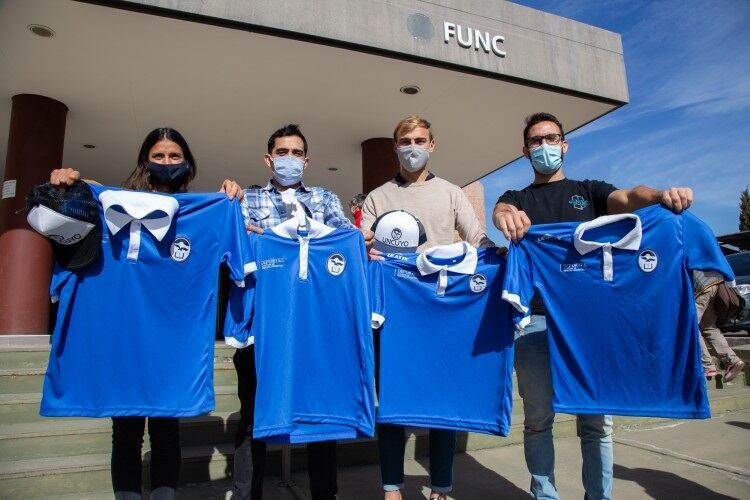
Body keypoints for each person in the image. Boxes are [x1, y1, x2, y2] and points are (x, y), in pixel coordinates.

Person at [492, 112, 693, 500]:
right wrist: (506, 218)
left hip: (590, 329)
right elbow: (500, 212)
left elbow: (628, 199)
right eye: (536, 141)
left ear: (565, 145)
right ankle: (545, 495)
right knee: (537, 422)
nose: (545, 146)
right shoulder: (517, 199)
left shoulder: (590, 190)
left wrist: (658, 197)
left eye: (552, 138)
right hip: (535, 324)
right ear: (525, 151)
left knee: (597, 423)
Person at [49, 127, 243, 500]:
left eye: (174, 156)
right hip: (122, 335)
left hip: (172, 340)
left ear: (186, 162)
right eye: (158, 156)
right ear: (145, 161)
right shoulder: (105, 202)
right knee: (125, 431)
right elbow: (64, 229)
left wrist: (229, 201)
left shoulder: (206, 210)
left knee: (167, 431)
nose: (167, 162)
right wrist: (68, 184)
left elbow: (238, 263)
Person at [360, 115, 493, 500]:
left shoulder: (452, 193)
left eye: (420, 140)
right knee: (393, 399)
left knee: (441, 396)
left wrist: (498, 252)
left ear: (432, 145)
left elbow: (477, 239)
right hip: (392, 310)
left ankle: (441, 485)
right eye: (405, 140)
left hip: (440, 307)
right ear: (395, 147)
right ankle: (392, 487)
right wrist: (363, 246)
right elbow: (362, 246)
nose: (412, 147)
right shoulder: (377, 197)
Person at [233, 123, 353, 500]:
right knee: (254, 413)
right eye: (282, 152)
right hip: (261, 325)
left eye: (296, 153)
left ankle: (325, 494)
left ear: (307, 160)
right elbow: (235, 243)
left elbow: (345, 240)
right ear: (269, 159)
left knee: (319, 409)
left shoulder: (325, 197)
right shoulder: (246, 198)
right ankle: (246, 492)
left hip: (316, 324)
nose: (289, 159)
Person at [694, 270, 746, 381]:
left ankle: (707, 366)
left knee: (691, 327)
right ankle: (732, 360)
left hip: (700, 286)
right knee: (709, 327)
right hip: (715, 283)